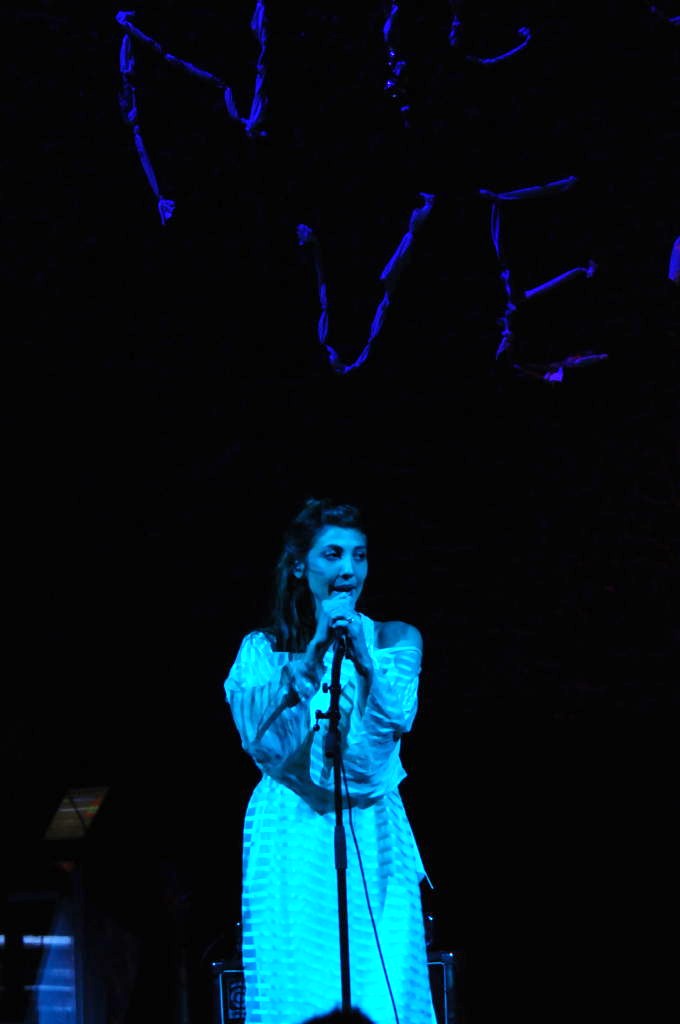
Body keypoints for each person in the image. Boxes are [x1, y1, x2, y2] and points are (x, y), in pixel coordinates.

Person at [223, 497, 438, 1024]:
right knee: (302, 986)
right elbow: (264, 745)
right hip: (292, 828)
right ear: (300, 566)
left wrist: (364, 663)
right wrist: (315, 652)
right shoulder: (261, 651)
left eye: (359, 556)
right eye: (333, 554)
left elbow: (375, 753)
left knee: (384, 984)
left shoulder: (394, 640)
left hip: (371, 824)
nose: (349, 570)